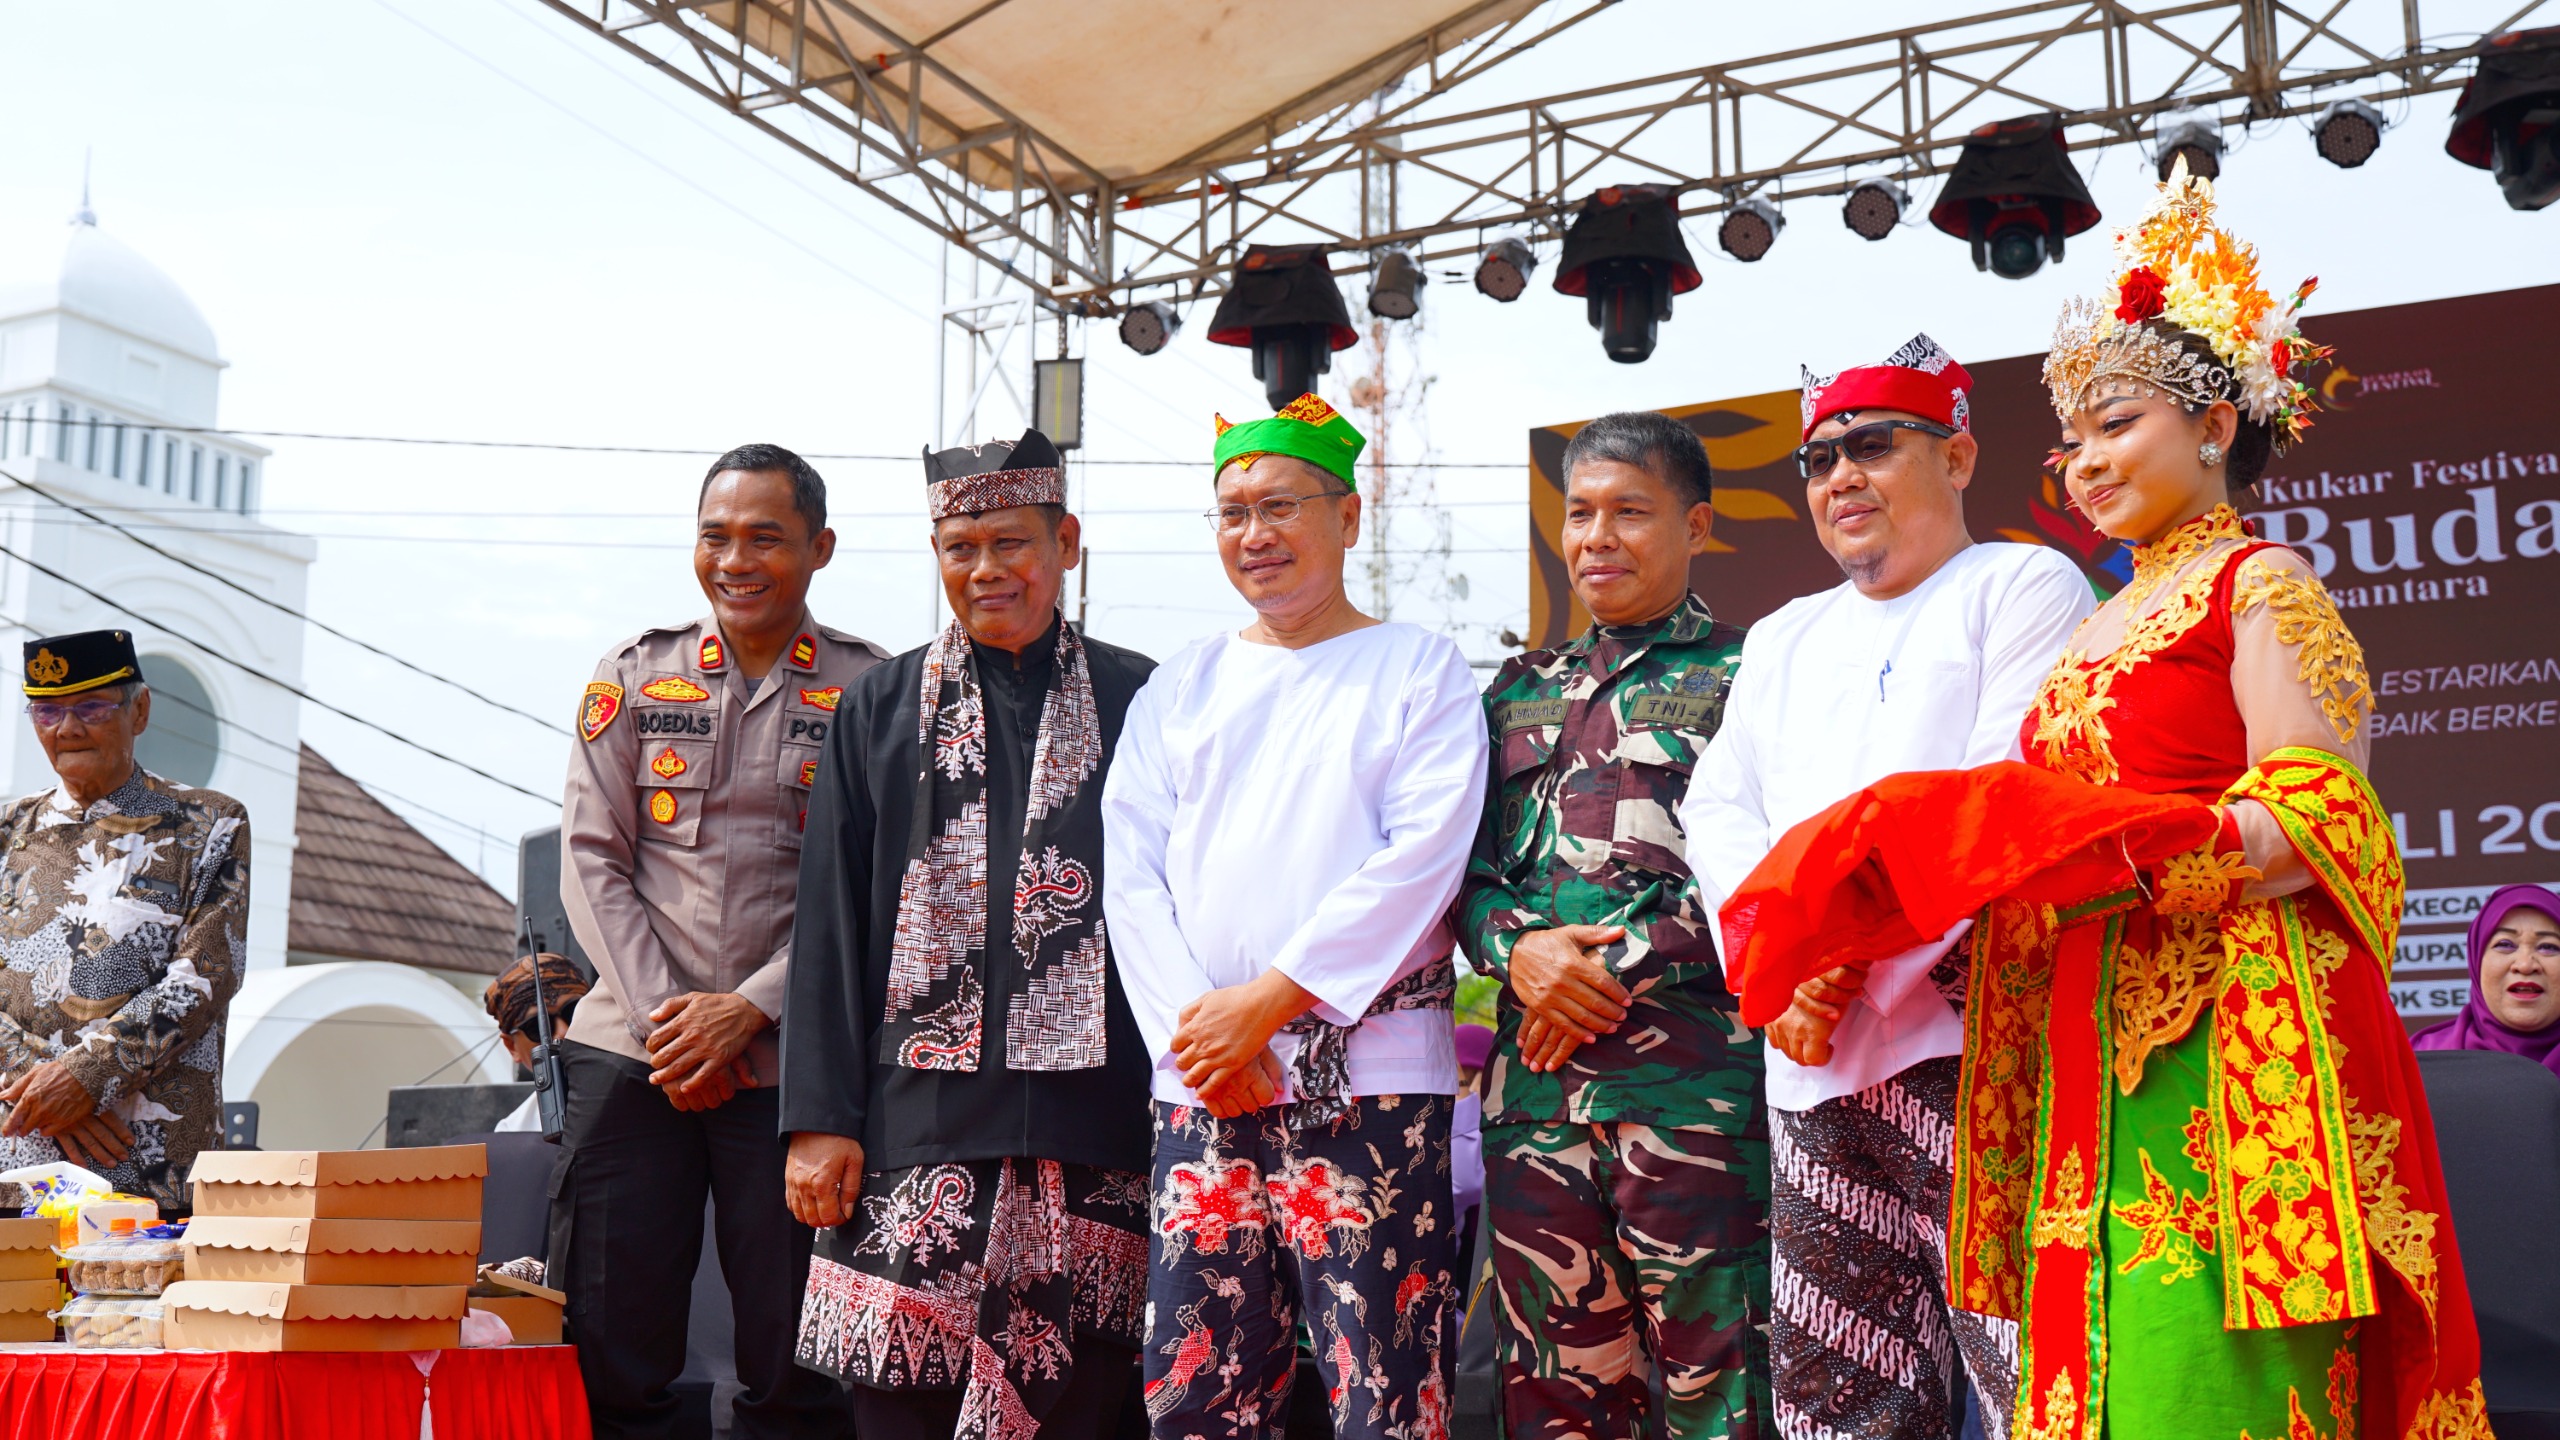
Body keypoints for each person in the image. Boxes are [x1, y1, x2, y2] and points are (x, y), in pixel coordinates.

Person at [1734, 164, 2490, 1439]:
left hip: (2226, 1027)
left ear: (2215, 423)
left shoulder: (2258, 582)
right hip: (2081, 1028)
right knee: (2089, 1369)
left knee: (2206, 1369)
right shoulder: (2101, 621)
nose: (2084, 462)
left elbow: (2324, 814)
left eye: (2116, 424)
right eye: (2070, 441)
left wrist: (2117, 847)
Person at [1679, 338, 2094, 1440]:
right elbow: (1718, 809)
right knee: (1840, 1404)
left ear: (1957, 456)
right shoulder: (1783, 634)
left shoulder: (2021, 584)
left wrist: (1832, 956)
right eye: (1819, 460)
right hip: (1811, 1066)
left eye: (1871, 446)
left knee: (2034, 1384)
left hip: (1974, 1051)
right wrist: (1782, 969)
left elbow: (1994, 796)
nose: (1841, 478)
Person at [1102, 394, 1486, 1440]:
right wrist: (1204, 1034)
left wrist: (1267, 1004)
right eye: (1232, 513)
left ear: (1347, 516)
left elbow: (1422, 860)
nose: (1254, 534)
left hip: (1370, 1085)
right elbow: (1130, 875)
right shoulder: (1182, 683)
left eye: (1279, 506)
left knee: (1384, 1390)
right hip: (1206, 1087)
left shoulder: (1420, 668)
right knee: (1200, 1391)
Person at [780, 427, 1158, 1440]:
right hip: (916, 1128)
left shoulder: (1143, 699)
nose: (986, 569)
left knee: (1088, 1409)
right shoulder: (877, 707)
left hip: (1097, 1129)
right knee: (899, 1405)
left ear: (1065, 543)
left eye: (1010, 543)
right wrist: (819, 1118)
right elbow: (831, 921)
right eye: (960, 548)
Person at [557, 443, 884, 1440]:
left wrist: (749, 1009)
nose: (735, 561)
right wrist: (673, 1027)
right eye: (715, 537)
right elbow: (591, 858)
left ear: (820, 548)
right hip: (634, 1056)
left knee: (799, 1362)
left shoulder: (873, 692)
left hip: (793, 1068)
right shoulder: (632, 675)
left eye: (765, 538)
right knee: (607, 1348)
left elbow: (880, 886)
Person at [1458, 411, 1768, 1440]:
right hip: (1536, 1107)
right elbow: (1464, 872)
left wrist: (1590, 976)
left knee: (1719, 1395)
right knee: (1556, 1399)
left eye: (1629, 511)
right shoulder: (1517, 688)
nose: (1597, 537)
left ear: (1697, 526)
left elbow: (1760, 869)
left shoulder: (1754, 672)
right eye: (1580, 513)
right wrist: (1520, 954)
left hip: (1694, 1103)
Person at [0, 630, 249, 1214]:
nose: (67, 729)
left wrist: (89, 1076)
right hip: (15, 1159)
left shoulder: (208, 825)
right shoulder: (8, 831)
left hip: (147, 1169)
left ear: (139, 710)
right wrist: (46, 1087)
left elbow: (205, 974)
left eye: (91, 708)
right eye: (47, 711)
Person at [2414, 885, 2560, 1071]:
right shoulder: (2424, 1061)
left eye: (2548, 947)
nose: (2525, 965)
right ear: (2476, 960)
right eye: (2505, 944)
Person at [484, 952, 589, 1133]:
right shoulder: (513, 1133)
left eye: (573, 1013)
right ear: (512, 1047)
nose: (563, 1032)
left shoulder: (642, 1084)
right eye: (538, 1027)